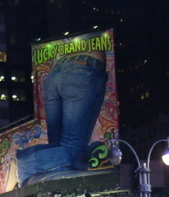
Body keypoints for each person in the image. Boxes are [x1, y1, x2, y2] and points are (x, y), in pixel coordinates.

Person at [16, 46, 108, 186]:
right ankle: (24, 164)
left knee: (58, 146)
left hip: (55, 73)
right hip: (82, 69)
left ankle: (24, 163)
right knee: (73, 148)